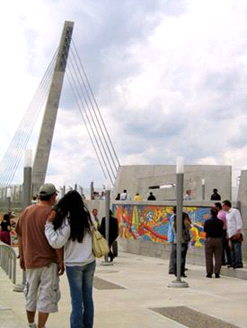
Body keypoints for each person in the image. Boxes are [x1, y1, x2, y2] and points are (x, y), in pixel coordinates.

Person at [45, 190, 95, 328]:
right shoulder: (88, 216)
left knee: (77, 301)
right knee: (88, 299)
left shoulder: (68, 220)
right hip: (90, 262)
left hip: (74, 264)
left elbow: (57, 242)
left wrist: (48, 226)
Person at [15, 183, 63, 328]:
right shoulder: (53, 213)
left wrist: (22, 256)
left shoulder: (26, 211)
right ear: (53, 196)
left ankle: (31, 324)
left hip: (30, 261)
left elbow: (20, 235)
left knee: (30, 294)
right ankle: (41, 326)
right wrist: (61, 260)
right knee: (46, 297)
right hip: (49, 262)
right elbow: (57, 240)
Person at [222, 200, 243, 268]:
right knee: (232, 249)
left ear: (227, 205)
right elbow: (229, 224)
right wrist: (228, 233)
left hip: (235, 233)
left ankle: (238, 262)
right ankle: (233, 262)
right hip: (230, 233)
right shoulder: (227, 214)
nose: (223, 207)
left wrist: (238, 231)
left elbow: (239, 221)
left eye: (223, 205)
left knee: (237, 249)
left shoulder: (235, 211)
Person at [204, 207, 224, 278]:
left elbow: (205, 230)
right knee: (218, 257)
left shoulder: (207, 222)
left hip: (209, 239)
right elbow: (222, 230)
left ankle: (209, 272)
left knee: (209, 256)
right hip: (218, 239)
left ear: (211, 213)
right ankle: (217, 273)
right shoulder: (221, 222)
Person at [172, 209, 191, 277]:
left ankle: (176, 271)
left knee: (176, 257)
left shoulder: (174, 222)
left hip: (176, 241)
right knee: (182, 257)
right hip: (183, 241)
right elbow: (189, 226)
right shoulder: (185, 223)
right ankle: (181, 272)